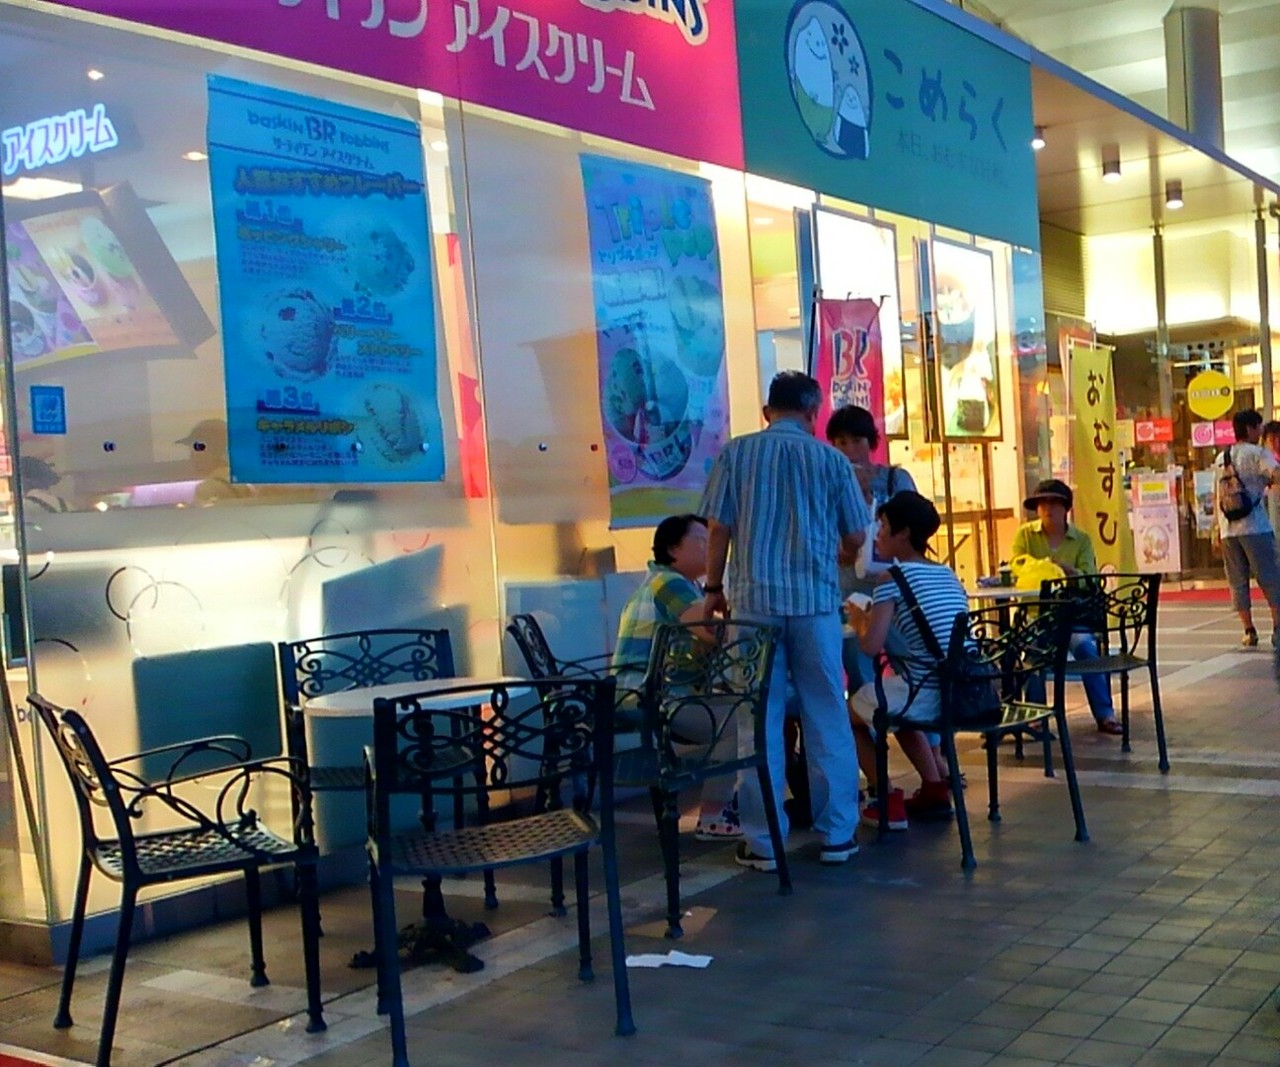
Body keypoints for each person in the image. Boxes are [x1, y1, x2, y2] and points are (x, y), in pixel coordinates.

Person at [700, 371, 869, 869]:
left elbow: (718, 528)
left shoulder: (736, 453)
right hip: (816, 606)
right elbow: (857, 536)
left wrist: (713, 589)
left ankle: (764, 842)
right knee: (827, 715)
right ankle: (837, 835)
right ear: (814, 413)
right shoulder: (831, 460)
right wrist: (838, 553)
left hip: (753, 608)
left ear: (766, 411)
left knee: (758, 722)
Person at [611, 514, 738, 840]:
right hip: (644, 694)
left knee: (740, 711)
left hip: (656, 691)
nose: (711, 548)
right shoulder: (668, 583)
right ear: (672, 549)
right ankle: (713, 814)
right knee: (742, 720)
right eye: (702, 541)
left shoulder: (680, 584)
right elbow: (712, 631)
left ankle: (723, 800)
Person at [846, 492, 967, 825]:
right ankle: (934, 788)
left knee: (847, 717)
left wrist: (858, 620)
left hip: (927, 691)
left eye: (883, 526)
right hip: (962, 690)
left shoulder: (892, 579)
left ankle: (885, 799)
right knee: (893, 704)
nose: (876, 535)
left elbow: (871, 646)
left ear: (903, 533)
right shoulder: (947, 573)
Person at [1010, 478, 1122, 735]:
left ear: (1066, 508)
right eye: (1042, 504)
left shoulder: (1080, 540)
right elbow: (1016, 564)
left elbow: (1090, 579)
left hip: (1072, 617)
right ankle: (1036, 716)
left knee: (1087, 651)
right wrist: (1038, 568)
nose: (1048, 509)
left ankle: (1105, 714)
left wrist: (1069, 572)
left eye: (1054, 503)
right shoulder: (1025, 535)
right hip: (1036, 616)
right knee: (1033, 654)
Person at [826, 403, 918, 696]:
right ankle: (869, 722)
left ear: (871, 442)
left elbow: (915, 525)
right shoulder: (828, 485)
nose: (849, 450)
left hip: (895, 586)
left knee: (909, 662)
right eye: (841, 442)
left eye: (857, 441)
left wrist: (865, 493)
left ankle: (919, 720)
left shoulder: (894, 480)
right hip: (850, 589)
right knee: (859, 670)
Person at [1214, 410, 1280, 647]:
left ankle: (1249, 630)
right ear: (1250, 428)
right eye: (1258, 426)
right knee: (1271, 578)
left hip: (1228, 529)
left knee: (1238, 581)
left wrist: (1216, 528)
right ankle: (1277, 628)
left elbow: (1216, 495)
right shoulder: (1258, 453)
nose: (1261, 430)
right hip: (1256, 527)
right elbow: (1276, 474)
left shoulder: (1222, 457)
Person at [1263, 420, 1280, 545]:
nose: (1275, 443)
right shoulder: (1263, 461)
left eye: (1278, 438)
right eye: (1271, 439)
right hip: (1270, 511)